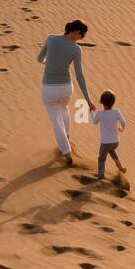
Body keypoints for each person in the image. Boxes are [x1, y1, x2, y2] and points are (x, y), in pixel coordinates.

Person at [37, 20, 94, 163]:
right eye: (82, 35)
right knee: (64, 110)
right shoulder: (76, 50)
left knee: (56, 121)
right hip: (66, 88)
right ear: (75, 32)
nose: (81, 39)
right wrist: (88, 99)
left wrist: (49, 64)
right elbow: (80, 76)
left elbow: (39, 58)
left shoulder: (51, 38)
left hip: (49, 88)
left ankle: (67, 152)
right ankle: (67, 140)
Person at [90, 89, 126, 179]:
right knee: (112, 151)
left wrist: (92, 111)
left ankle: (101, 175)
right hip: (115, 141)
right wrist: (122, 128)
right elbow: (123, 122)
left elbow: (94, 121)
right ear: (113, 102)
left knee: (101, 159)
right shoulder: (116, 112)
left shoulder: (99, 114)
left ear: (102, 102)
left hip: (105, 142)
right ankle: (119, 165)